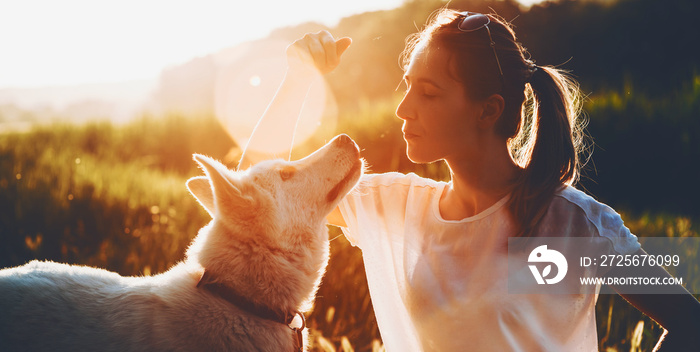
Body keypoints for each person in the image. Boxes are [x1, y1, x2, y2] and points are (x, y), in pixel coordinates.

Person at [243, 8, 700, 351]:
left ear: (489, 110)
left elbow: (689, 320)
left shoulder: (569, 227)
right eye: (407, 86)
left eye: (428, 93)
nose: (403, 109)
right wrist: (299, 80)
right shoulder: (396, 208)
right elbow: (253, 192)